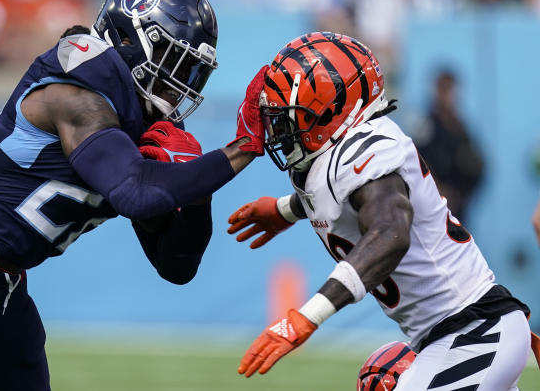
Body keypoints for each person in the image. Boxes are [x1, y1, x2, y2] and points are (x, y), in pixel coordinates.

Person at [0, 0, 268, 390]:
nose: (180, 80)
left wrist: (196, 184)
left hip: (2, 289)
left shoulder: (133, 124)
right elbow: (136, 194)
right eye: (174, 59)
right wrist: (241, 149)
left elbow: (176, 264)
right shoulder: (77, 96)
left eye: (191, 70)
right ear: (130, 39)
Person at [228, 32, 533, 389]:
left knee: (384, 375)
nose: (281, 128)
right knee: (380, 376)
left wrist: (308, 316)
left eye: (290, 116)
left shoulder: (365, 147)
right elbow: (346, 198)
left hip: (473, 330)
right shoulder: (334, 159)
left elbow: (391, 233)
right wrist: (285, 210)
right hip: (447, 337)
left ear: (331, 107)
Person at [414, 69, 484, 223]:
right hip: (432, 208)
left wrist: (462, 195)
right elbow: (416, 163)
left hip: (458, 208)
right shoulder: (426, 126)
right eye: (443, 89)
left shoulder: (460, 127)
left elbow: (476, 165)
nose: (447, 96)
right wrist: (437, 190)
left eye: (450, 90)